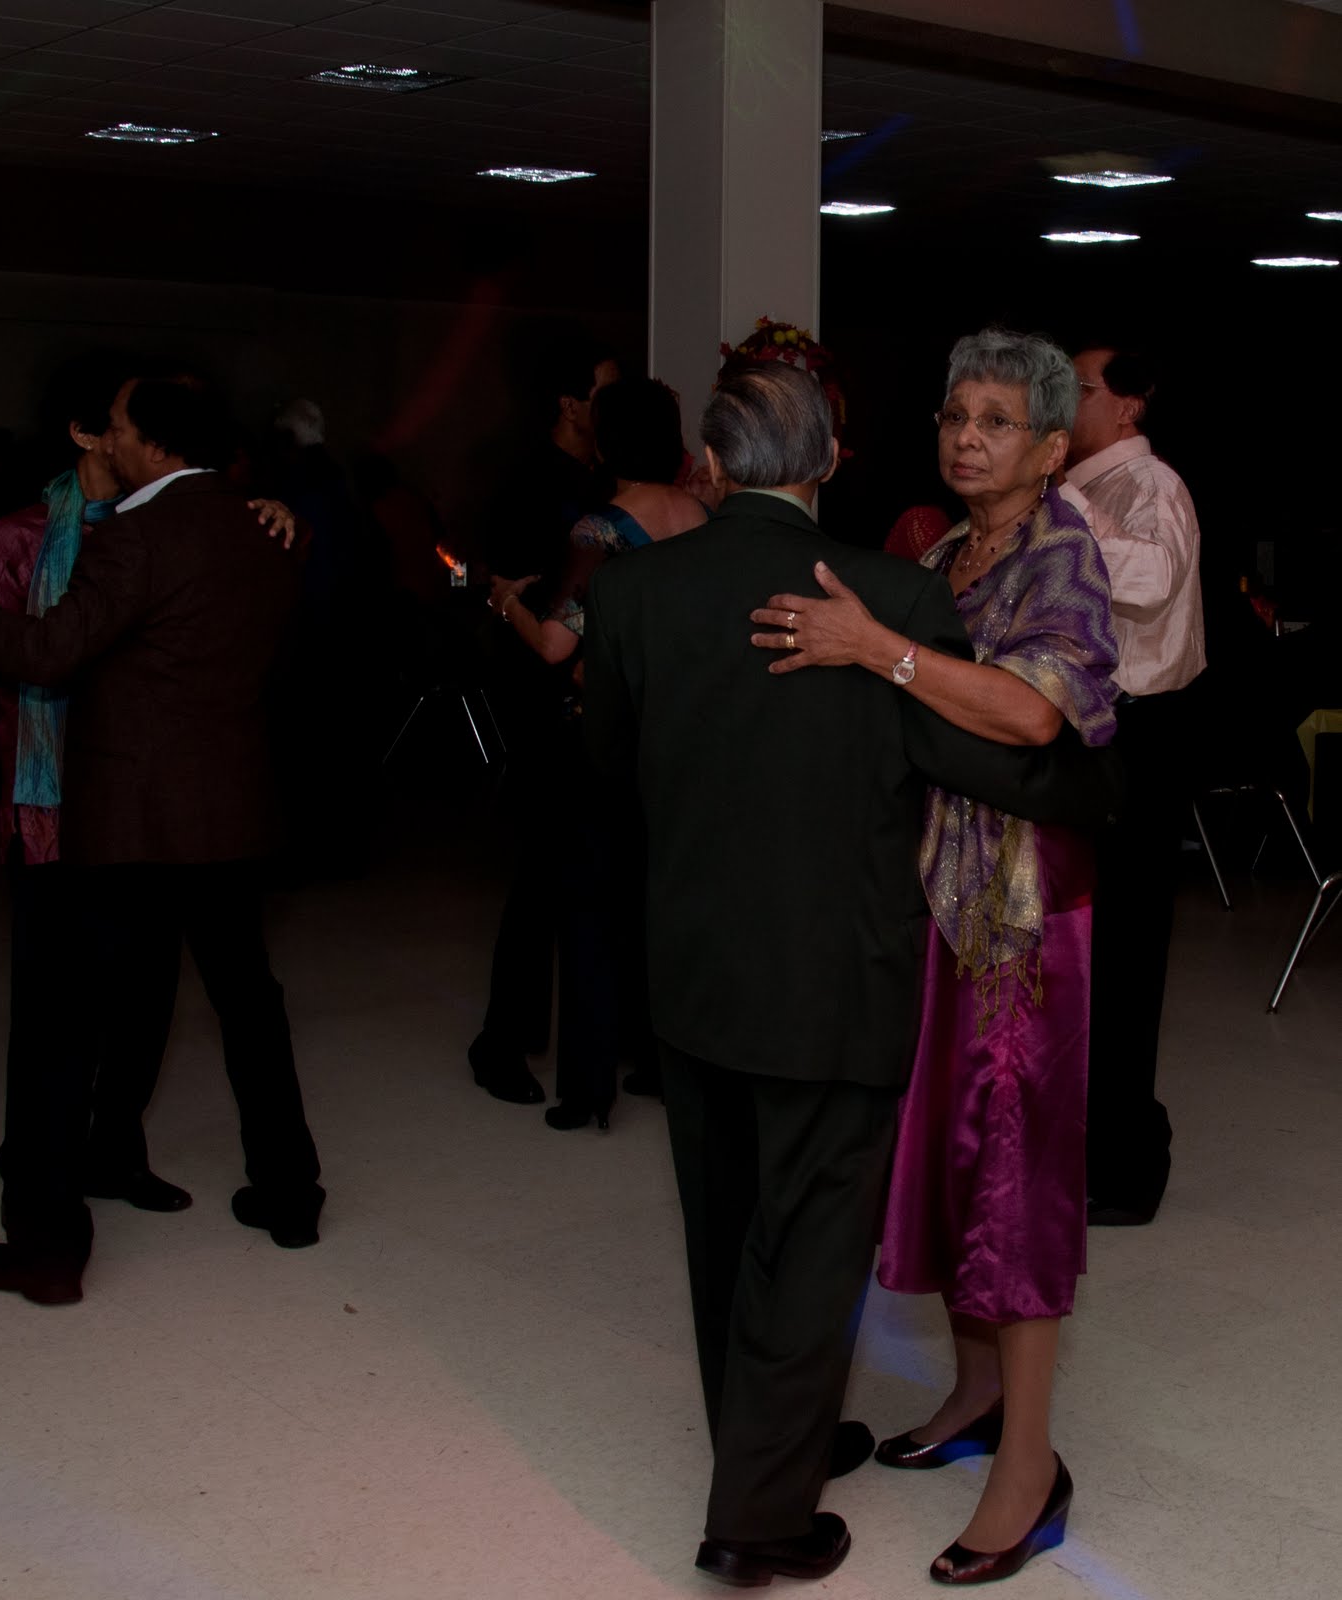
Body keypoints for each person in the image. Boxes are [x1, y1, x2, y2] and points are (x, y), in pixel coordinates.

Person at [583, 359, 1121, 1587]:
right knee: (807, 1237)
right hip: (837, 970)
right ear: (829, 461)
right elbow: (982, 759)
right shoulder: (889, 592)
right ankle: (757, 1516)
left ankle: (764, 1443)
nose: (965, 435)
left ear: (706, 464)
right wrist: (1095, 788)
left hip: (694, 966)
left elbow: (607, 773)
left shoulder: (629, 590)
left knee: (722, 1223)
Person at [756, 331, 1119, 1585]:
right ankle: (971, 1396)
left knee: (1015, 1170)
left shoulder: (1061, 552)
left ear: (1050, 447)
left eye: (995, 421)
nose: (966, 436)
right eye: (954, 414)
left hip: (1020, 909)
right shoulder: (937, 550)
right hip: (936, 889)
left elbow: (1031, 709)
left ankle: (1029, 1461)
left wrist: (881, 651)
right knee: (954, 1152)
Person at [0, 376, 323, 1306]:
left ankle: (48, 1250)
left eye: (122, 428)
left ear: (155, 444)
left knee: (60, 1026)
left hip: (131, 817)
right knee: (248, 1003)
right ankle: (290, 1195)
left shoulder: (134, 533)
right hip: (230, 812)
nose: (111, 441)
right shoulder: (266, 529)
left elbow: (45, 655)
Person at [485, 378, 706, 1129]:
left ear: (607, 445)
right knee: (655, 898)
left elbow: (556, 644)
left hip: (601, 736)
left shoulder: (600, 530)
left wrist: (507, 603)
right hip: (675, 737)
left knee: (582, 903)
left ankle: (585, 1090)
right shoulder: (702, 519)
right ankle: (659, 1062)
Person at [1066, 344, 1205, 1227]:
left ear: (1130, 405)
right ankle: (1095, 1147)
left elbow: (1150, 584)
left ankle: (1127, 1169)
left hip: (1143, 735)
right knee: (1092, 951)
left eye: (1080, 388)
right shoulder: (1090, 486)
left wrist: (1067, 507)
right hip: (1098, 733)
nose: (1064, 401)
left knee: (1126, 954)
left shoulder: (1148, 484)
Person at [466, 338, 620, 1106]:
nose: (611, 409)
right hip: (541, 694)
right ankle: (501, 1042)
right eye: (603, 394)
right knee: (541, 874)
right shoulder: (530, 482)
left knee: (588, 873)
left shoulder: (608, 482)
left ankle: (580, 1039)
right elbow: (501, 584)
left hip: (598, 699)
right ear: (569, 404)